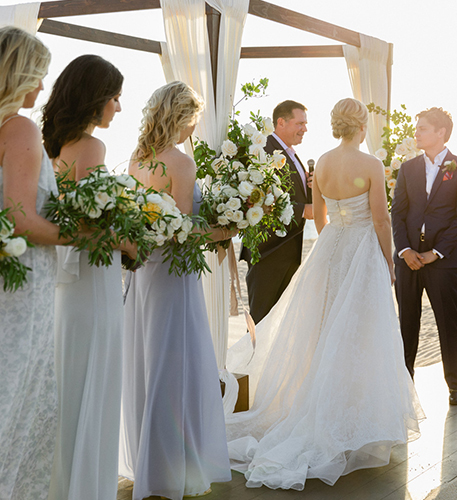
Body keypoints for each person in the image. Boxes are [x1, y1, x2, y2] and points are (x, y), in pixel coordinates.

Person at [225, 98, 423, 490]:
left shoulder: (324, 161)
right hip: (362, 248)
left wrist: (335, 239)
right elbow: (381, 219)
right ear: (362, 125)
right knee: (360, 334)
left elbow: (320, 214)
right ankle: (351, 416)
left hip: (331, 248)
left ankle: (321, 405)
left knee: (324, 330)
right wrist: (388, 261)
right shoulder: (370, 165)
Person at [120, 81, 234, 500]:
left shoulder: (137, 158)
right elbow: (185, 231)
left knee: (147, 364)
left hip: (143, 274)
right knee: (176, 366)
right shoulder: (181, 165)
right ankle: (171, 471)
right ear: (181, 116)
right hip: (173, 274)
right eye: (194, 119)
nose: (194, 128)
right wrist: (227, 227)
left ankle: (149, 464)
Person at [42, 55, 134, 500]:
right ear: (95, 99)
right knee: (97, 375)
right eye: (114, 97)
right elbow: (95, 224)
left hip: (67, 281)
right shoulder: (92, 148)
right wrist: (132, 240)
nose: (118, 106)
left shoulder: (53, 144)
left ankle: (64, 483)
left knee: (71, 376)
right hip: (94, 273)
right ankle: (88, 488)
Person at [0, 26, 61, 500]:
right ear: (20, 75)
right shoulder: (19, 128)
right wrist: (89, 234)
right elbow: (20, 219)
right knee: (15, 401)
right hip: (20, 289)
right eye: (38, 77)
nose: (42, 88)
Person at [392, 107, 457, 405]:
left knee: (448, 322)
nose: (416, 132)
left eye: (423, 128)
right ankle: (405, 384)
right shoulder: (407, 168)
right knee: (407, 323)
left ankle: (454, 385)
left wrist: (435, 253)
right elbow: (398, 213)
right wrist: (405, 251)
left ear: (441, 133)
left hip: (444, 260)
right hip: (408, 260)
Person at [241, 100, 313, 323]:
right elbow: (257, 199)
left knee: (280, 326)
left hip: (289, 250)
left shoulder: (291, 154)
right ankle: (252, 359)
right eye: (300, 123)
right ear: (280, 122)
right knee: (261, 321)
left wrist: (311, 187)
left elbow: (291, 194)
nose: (305, 129)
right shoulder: (264, 150)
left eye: (306, 124)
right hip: (268, 252)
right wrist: (303, 210)